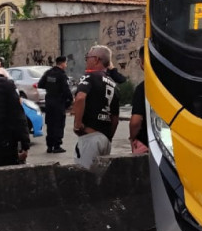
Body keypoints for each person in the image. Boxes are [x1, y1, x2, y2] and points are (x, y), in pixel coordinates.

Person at [72, 44, 119, 172]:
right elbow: (115, 117)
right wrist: (108, 138)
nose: (86, 60)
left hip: (90, 137)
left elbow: (80, 98)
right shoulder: (113, 84)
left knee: (84, 178)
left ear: (96, 59)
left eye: (88, 57)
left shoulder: (89, 77)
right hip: (105, 139)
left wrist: (77, 124)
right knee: (100, 179)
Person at [37, 56, 72, 153]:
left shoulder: (48, 73)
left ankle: (49, 146)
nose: (66, 65)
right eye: (66, 63)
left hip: (49, 101)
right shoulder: (61, 75)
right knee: (59, 124)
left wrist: (50, 88)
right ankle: (57, 146)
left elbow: (40, 84)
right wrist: (70, 99)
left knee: (50, 123)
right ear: (62, 63)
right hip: (59, 102)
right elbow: (66, 89)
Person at [128, 47, 149, 155]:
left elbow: (136, 121)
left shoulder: (143, 88)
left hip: (146, 144)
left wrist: (132, 138)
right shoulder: (176, 86)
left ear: (142, 64)